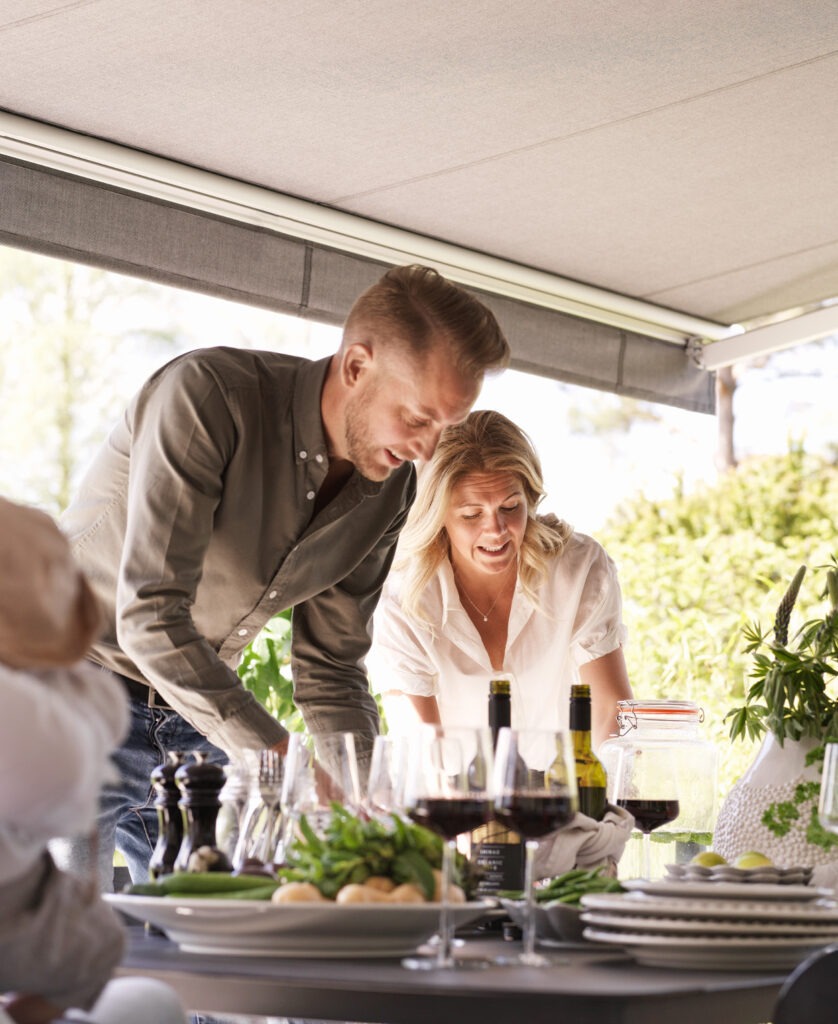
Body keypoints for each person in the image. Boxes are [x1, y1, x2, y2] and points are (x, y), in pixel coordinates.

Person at [54, 264, 509, 890]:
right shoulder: (208, 397)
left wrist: (362, 797)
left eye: (446, 427)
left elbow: (331, 666)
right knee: (67, 947)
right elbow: (151, 616)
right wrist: (279, 759)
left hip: (193, 721)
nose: (429, 451)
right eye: (418, 417)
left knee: (215, 932)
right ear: (356, 366)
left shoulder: (390, 488)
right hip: (70, 695)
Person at [0, 497, 186, 1024]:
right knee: (98, 946)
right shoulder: (18, 706)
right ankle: (35, 1011)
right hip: (17, 913)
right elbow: (61, 792)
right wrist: (76, 681)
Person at [368, 409, 633, 747]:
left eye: (510, 507)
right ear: (439, 515)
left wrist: (593, 794)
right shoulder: (402, 597)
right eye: (471, 514)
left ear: (530, 499)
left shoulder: (578, 569)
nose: (496, 530)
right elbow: (421, 747)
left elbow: (610, 710)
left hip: (565, 793)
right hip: (452, 794)